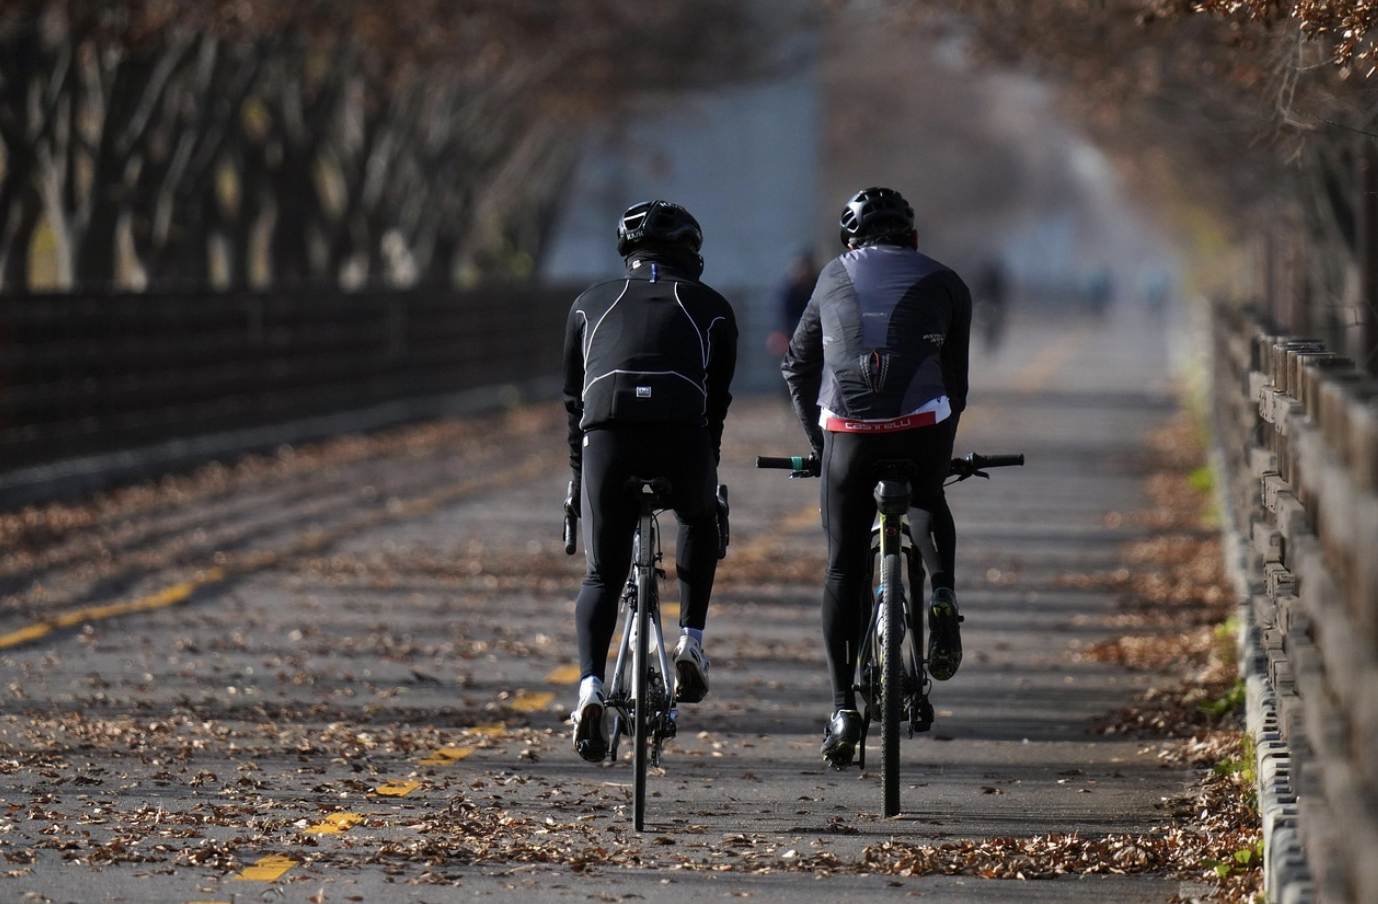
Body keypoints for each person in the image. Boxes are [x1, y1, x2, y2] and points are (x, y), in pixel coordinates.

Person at [780, 186, 972, 770]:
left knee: (843, 564)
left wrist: (822, 447)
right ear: (912, 238)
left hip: (849, 432)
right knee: (928, 492)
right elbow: (956, 383)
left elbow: (797, 365)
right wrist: (939, 439)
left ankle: (843, 709)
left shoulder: (831, 275)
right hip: (925, 428)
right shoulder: (948, 281)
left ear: (850, 241)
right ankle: (941, 590)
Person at [562, 200, 739, 763]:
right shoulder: (713, 307)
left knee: (600, 575)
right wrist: (705, 470)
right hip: (681, 440)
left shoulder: (589, 304)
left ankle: (590, 687)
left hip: (605, 440)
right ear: (693, 254)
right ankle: (691, 641)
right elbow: (716, 402)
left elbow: (573, 401)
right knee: (697, 514)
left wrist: (576, 478)